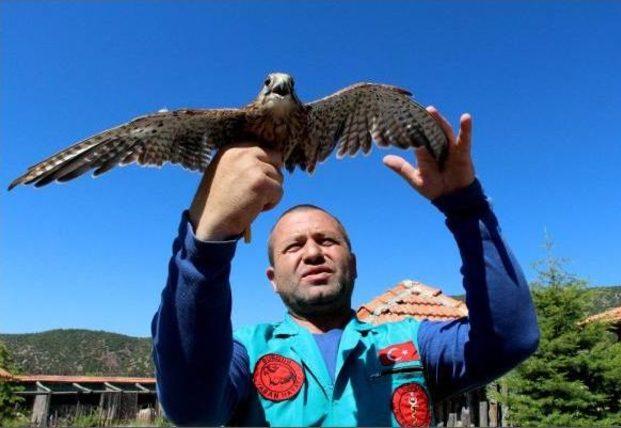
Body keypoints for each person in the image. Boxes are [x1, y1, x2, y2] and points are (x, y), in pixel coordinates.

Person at [151, 107, 540, 426]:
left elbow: (511, 339)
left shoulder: (410, 344)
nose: (313, 253)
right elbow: (192, 410)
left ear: (353, 265)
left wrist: (465, 206)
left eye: (327, 241)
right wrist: (208, 241)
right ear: (271, 279)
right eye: (293, 247)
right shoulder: (247, 352)